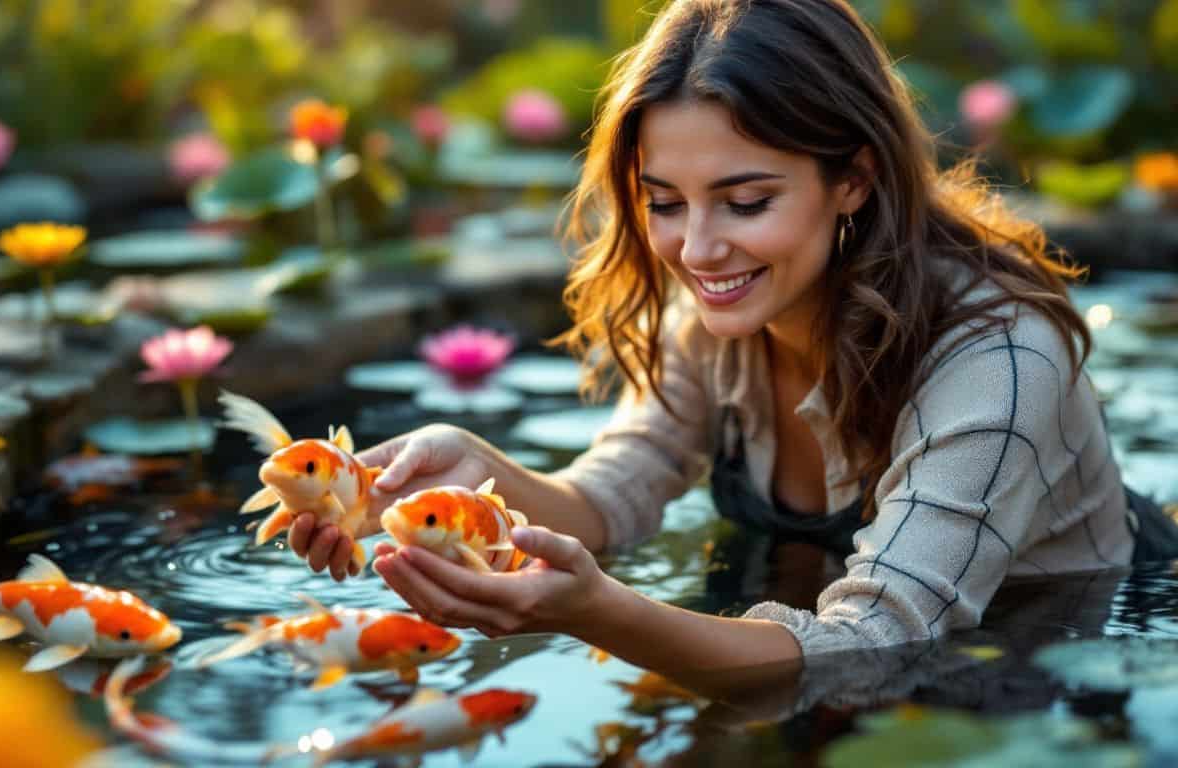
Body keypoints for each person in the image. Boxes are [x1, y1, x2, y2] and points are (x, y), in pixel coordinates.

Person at [281, 0, 1177, 690]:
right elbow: (613, 494)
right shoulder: (724, 308)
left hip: (1054, 649)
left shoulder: (998, 358)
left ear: (854, 179)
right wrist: (477, 473)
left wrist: (596, 614)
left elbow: (877, 639)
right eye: (664, 202)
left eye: (747, 202)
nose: (698, 250)